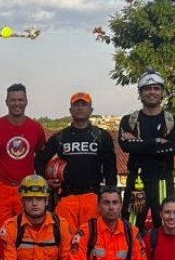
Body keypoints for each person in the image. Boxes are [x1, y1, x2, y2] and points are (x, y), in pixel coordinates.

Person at [34, 91, 117, 232]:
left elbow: (111, 168)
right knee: (66, 240)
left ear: (91, 110)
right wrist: (44, 181)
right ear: (70, 110)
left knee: (93, 239)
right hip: (67, 197)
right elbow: (39, 160)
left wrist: (111, 195)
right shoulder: (60, 136)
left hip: (93, 197)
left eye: (84, 105)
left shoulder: (102, 136)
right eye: (76, 105)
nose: (80, 108)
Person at [118, 70, 175, 230]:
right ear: (140, 93)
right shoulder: (129, 120)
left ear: (162, 92)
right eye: (147, 88)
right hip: (137, 181)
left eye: (156, 88)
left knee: (167, 228)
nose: (152, 92)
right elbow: (126, 146)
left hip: (163, 179)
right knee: (130, 228)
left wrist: (140, 144)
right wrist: (156, 141)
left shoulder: (174, 120)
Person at [0, 83, 47, 232]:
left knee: (26, 230)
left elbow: (42, 156)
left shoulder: (36, 128)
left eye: (20, 100)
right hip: (1, 187)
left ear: (26, 101)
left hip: (26, 188)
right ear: (6, 102)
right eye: (13, 100)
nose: (17, 103)